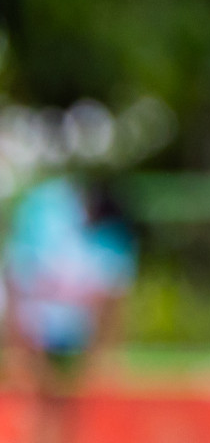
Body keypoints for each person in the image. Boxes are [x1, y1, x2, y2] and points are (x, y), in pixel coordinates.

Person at [3, 176, 136, 443]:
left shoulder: (106, 241)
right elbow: (16, 279)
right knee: (44, 404)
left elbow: (112, 302)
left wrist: (102, 355)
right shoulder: (46, 212)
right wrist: (18, 345)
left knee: (64, 407)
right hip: (39, 328)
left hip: (66, 333)